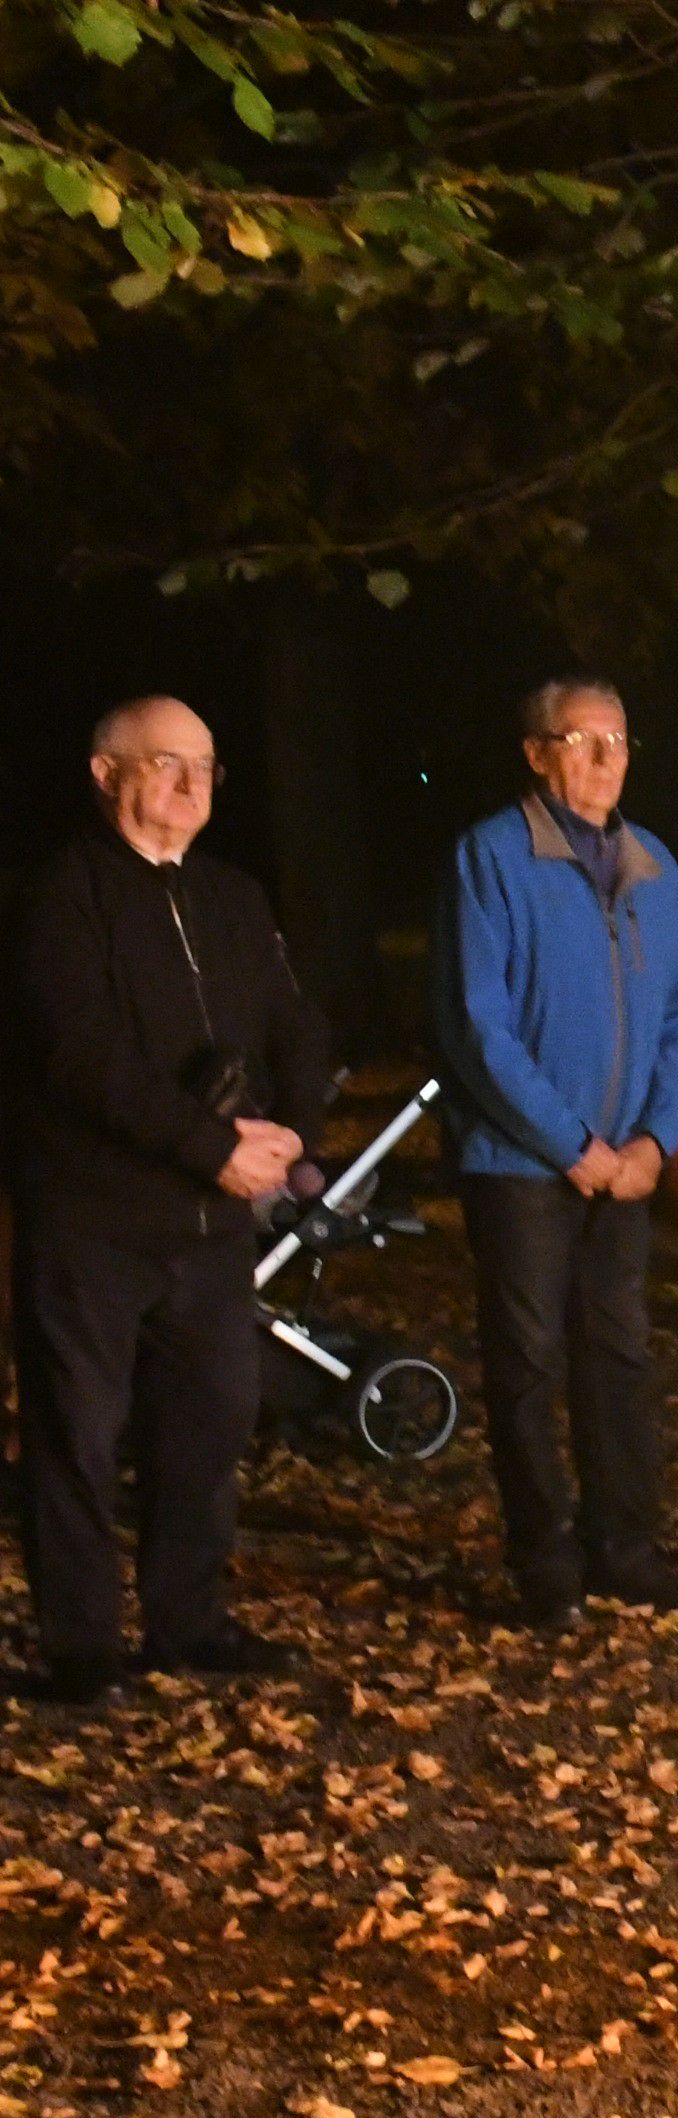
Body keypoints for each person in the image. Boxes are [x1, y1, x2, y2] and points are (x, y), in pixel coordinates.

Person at [8, 697, 332, 1702]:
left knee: (211, 1422)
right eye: (168, 765)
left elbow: (291, 1022)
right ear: (108, 775)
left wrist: (291, 1135)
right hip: (97, 1219)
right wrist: (208, 1146)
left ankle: (187, 1622)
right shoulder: (63, 897)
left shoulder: (232, 897)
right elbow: (82, 1056)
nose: (194, 787)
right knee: (80, 1431)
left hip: (210, 1229)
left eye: (207, 766)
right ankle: (82, 1645)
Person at [439, 676, 678, 1625]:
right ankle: (542, 1557)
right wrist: (572, 1143)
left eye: (620, 740)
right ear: (536, 752)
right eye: (583, 740)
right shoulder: (492, 857)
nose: (606, 759)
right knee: (525, 1360)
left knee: (620, 1352)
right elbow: (480, 1025)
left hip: (626, 1164)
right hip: (524, 1165)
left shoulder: (654, 867)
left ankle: (624, 1545)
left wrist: (655, 1139)